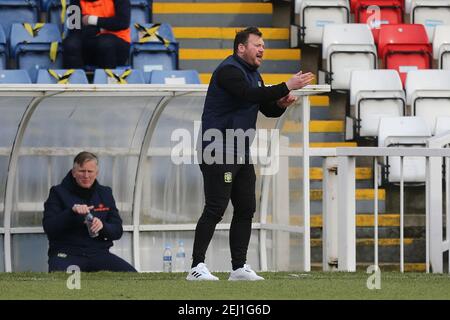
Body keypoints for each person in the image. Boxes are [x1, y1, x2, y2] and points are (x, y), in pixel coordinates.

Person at [186, 27, 315, 281]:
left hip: (240, 149)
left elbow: (265, 107)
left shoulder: (253, 74)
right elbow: (248, 94)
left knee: (246, 207)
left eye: (263, 45)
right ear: (241, 47)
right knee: (215, 207)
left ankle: (238, 268)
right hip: (217, 148)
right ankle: (196, 267)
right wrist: (286, 85)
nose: (262, 49)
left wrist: (280, 103)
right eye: (257, 44)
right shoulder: (229, 71)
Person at [43, 151, 136, 272]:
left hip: (99, 254)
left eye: (90, 171)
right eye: (82, 171)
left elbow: (117, 231)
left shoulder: (105, 193)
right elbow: (49, 227)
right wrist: (71, 212)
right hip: (67, 254)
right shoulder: (57, 193)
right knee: (66, 284)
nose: (86, 176)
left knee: (133, 277)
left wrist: (103, 226)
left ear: (96, 173)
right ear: (74, 173)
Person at [63, 0, 131, 69]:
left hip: (116, 45)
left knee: (105, 42)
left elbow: (122, 22)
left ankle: (109, 78)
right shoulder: (75, 1)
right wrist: (102, 28)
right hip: (89, 43)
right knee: (70, 43)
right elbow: (74, 28)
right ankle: (76, 77)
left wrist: (91, 20)